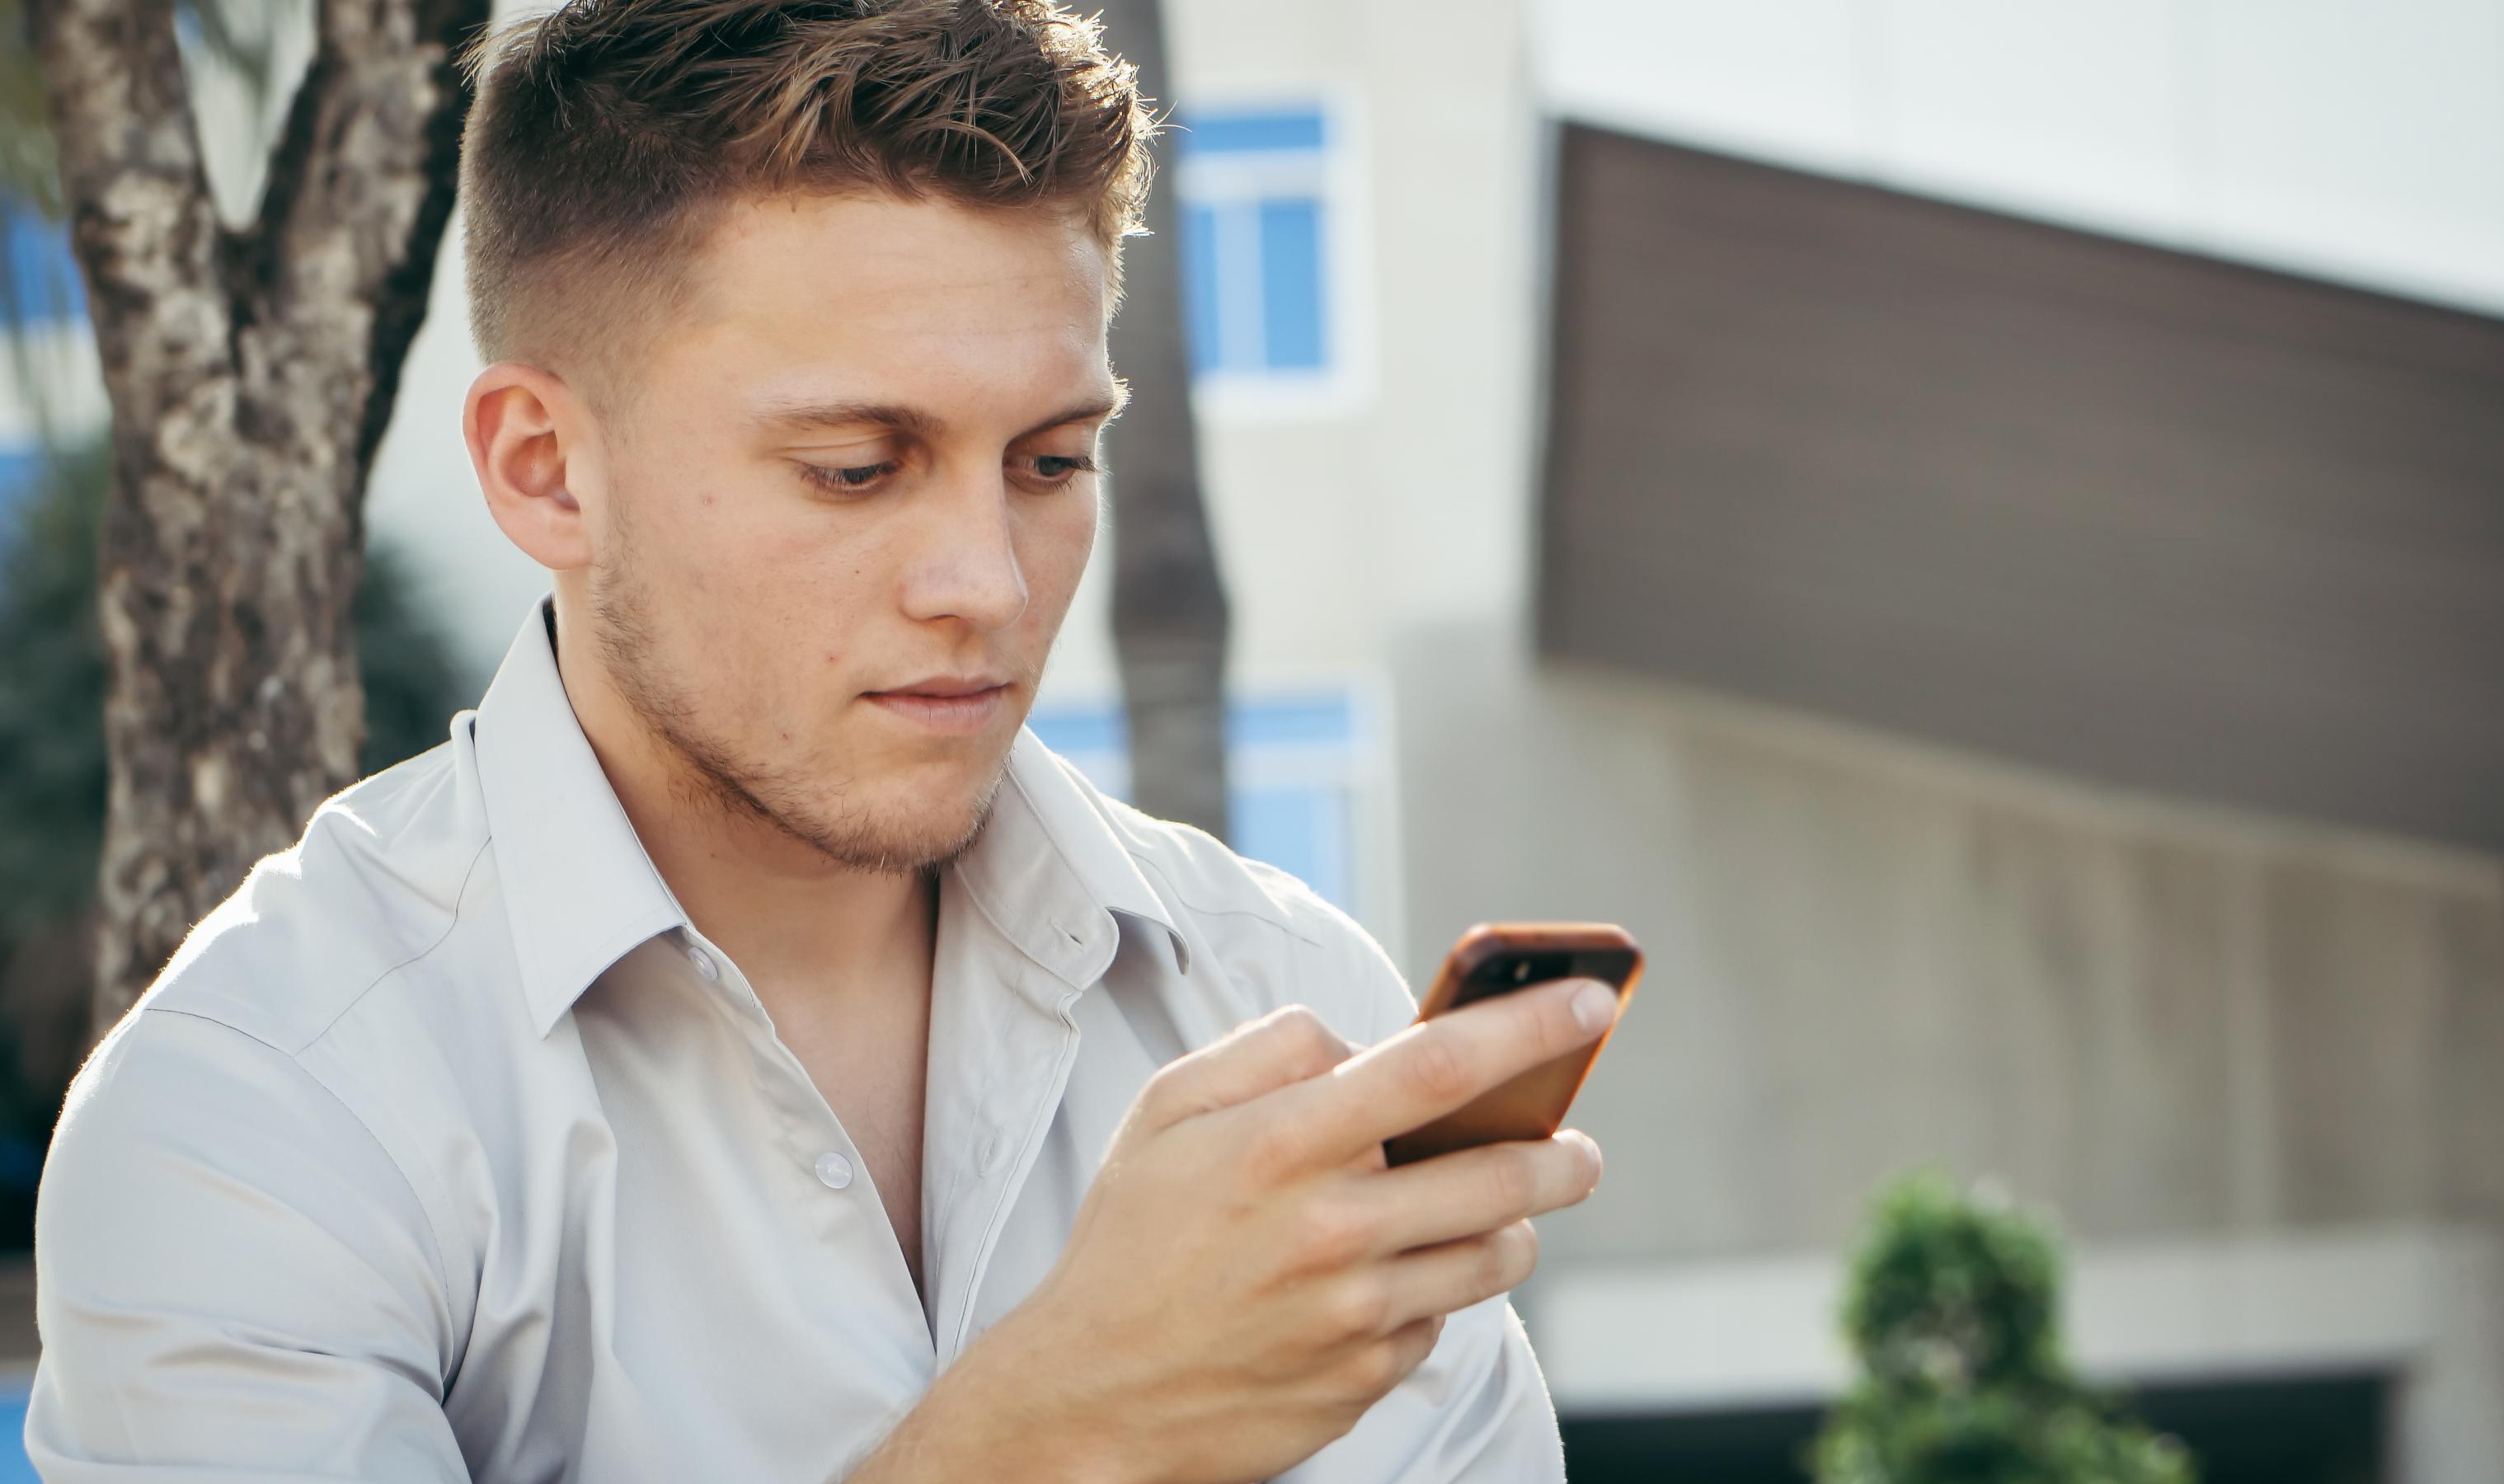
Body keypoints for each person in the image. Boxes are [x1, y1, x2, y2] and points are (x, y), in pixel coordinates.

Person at [26, 2, 1610, 1479]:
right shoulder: (253, 1115)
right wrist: (1057, 1430)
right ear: (545, 471)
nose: (987, 585)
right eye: (858, 467)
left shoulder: (1286, 1003)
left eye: (1052, 464)